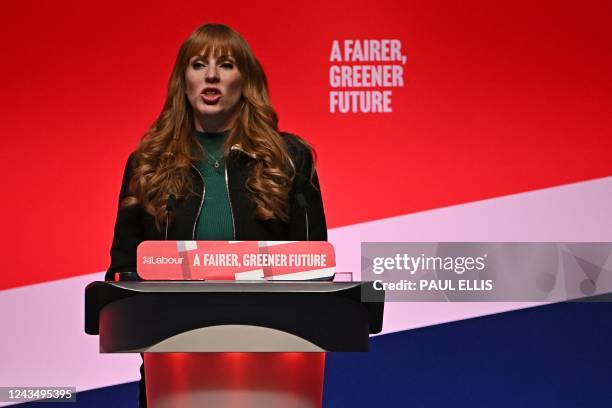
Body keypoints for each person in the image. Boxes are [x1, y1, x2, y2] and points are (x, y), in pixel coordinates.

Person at [105, 23, 327, 407]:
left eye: (225, 65)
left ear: (245, 80)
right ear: (183, 82)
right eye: (198, 64)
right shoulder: (147, 164)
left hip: (272, 367)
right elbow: (122, 273)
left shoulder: (288, 159)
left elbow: (314, 268)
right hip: (175, 367)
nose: (211, 75)